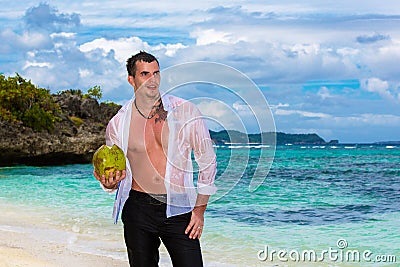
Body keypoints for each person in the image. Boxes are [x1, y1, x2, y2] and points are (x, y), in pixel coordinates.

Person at [94, 51, 217, 267]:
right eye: (145, 74)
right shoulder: (118, 123)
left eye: (156, 73)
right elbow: (115, 172)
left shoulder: (185, 111)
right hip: (138, 208)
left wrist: (199, 210)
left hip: (179, 206)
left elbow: (207, 160)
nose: (152, 80)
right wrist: (109, 183)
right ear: (131, 79)